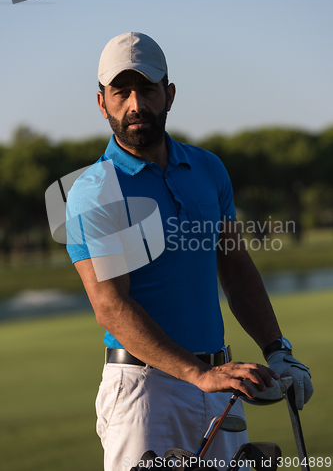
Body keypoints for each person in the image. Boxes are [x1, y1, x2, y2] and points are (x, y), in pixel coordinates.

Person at [65, 32, 313, 470]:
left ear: (170, 95)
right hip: (144, 391)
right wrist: (198, 374)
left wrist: (278, 349)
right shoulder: (95, 191)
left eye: (147, 89)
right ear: (102, 103)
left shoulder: (208, 168)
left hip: (220, 385)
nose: (135, 104)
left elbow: (235, 269)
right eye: (121, 92)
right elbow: (110, 306)